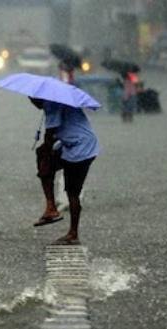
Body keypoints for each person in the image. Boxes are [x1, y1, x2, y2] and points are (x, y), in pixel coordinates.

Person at [29, 97, 100, 245]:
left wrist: (46, 160)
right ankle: (51, 207)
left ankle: (73, 233)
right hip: (72, 144)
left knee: (72, 192)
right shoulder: (57, 102)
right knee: (43, 157)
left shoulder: (52, 105)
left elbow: (50, 135)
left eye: (33, 100)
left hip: (81, 149)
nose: (33, 104)